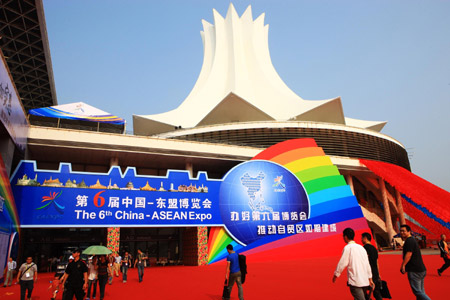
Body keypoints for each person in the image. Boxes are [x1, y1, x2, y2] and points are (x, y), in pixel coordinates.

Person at [333, 228, 374, 300]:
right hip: (365, 281)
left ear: (345, 237)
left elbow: (342, 263)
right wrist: (370, 278)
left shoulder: (348, 248)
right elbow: (367, 264)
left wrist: (336, 274)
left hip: (355, 282)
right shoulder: (361, 248)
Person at [399, 224, 431, 300]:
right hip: (420, 269)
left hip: (414, 270)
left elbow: (409, 253)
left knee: (417, 292)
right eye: (401, 231)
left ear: (409, 231)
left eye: (404, 231)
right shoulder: (412, 240)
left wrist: (403, 265)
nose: (402, 232)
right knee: (421, 292)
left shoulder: (409, 241)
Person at [362, 232, 382, 300]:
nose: (361, 240)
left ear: (365, 238)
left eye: (362, 238)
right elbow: (377, 262)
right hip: (375, 271)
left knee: (363, 291)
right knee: (376, 291)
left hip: (368, 273)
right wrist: (378, 273)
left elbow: (363, 262)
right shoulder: (374, 248)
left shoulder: (364, 248)